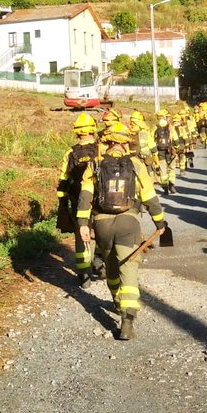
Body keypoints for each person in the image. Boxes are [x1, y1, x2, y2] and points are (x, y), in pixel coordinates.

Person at [76, 122, 168, 340]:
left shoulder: (95, 164)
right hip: (129, 223)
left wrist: (82, 224)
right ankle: (127, 322)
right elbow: (149, 197)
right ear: (127, 142)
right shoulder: (135, 164)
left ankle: (117, 302)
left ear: (107, 142)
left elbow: (85, 196)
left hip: (102, 224)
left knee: (111, 267)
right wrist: (160, 223)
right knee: (129, 268)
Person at [56, 112, 106, 286]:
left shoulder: (70, 153)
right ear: (93, 129)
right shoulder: (101, 150)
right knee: (101, 232)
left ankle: (84, 274)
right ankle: (99, 263)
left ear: (76, 131)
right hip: (100, 201)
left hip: (78, 201)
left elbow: (63, 180)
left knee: (81, 235)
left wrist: (62, 204)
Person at [154, 109, 177, 194]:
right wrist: (176, 148)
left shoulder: (155, 128)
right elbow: (176, 139)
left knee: (163, 170)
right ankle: (171, 185)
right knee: (172, 169)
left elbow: (152, 140)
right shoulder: (170, 127)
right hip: (170, 151)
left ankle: (165, 188)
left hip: (160, 152)